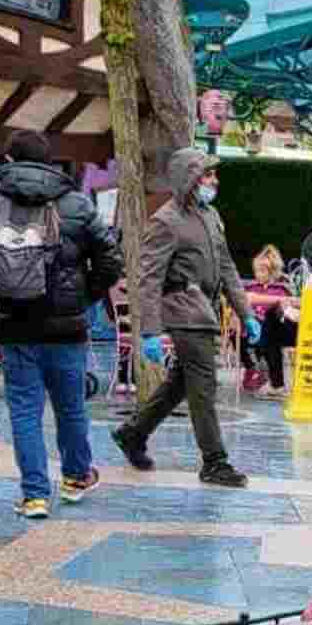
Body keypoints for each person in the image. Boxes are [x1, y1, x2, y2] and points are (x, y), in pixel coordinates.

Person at [0, 129, 121, 519]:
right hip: (67, 327)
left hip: (14, 323)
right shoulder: (77, 204)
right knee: (71, 407)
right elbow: (110, 260)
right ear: (50, 162)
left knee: (24, 410)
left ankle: (34, 496)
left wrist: (0, 273)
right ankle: (75, 478)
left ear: (9, 160)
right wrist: (83, 297)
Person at [112, 147, 261, 487]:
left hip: (203, 309)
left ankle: (133, 433)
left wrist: (246, 313)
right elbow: (149, 278)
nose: (214, 180)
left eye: (213, 174)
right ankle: (215, 462)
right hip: (184, 311)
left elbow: (227, 268)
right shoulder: (166, 221)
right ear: (189, 179)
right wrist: (149, 330)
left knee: (181, 383)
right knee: (203, 385)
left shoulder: (210, 216)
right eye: (207, 175)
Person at [244, 244, 296, 394]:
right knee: (238, 333)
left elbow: (285, 310)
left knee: (268, 333)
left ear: (272, 271)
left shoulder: (282, 289)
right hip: (250, 325)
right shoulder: (250, 287)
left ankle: (262, 369)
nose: (258, 274)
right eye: (256, 271)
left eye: (262, 271)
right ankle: (252, 367)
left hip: (270, 327)